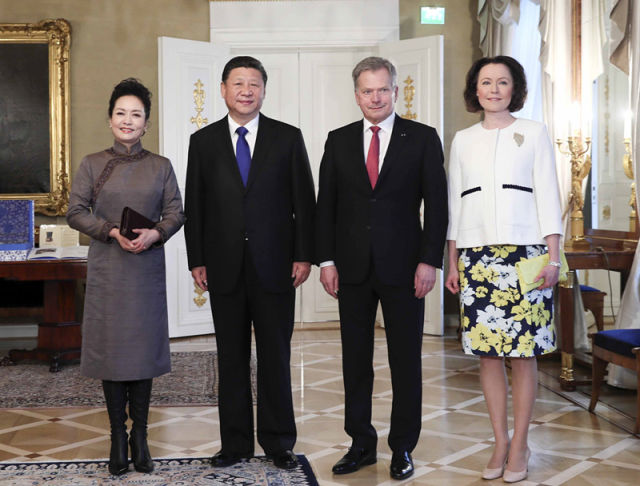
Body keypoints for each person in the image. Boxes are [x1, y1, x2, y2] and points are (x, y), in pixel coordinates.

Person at [315, 56, 448, 480]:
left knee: (405, 361)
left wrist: (429, 261)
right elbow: (325, 206)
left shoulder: (422, 138)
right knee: (355, 362)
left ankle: (402, 447)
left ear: (396, 91)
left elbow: (438, 205)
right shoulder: (338, 140)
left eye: (382, 89)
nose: (375, 97)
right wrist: (327, 260)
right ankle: (361, 444)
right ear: (357, 96)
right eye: (367, 90)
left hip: (407, 269)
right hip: (351, 268)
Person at [184, 56, 315, 470]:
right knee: (231, 357)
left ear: (263, 90)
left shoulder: (287, 137)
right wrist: (197, 259)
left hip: (276, 265)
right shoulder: (203, 142)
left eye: (254, 83)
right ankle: (235, 443)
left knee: (275, 355)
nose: (246, 91)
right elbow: (195, 206)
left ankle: (279, 442)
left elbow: (304, 203)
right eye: (238, 83)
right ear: (223, 89)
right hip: (222, 265)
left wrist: (304, 254)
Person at [444, 56, 563, 483]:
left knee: (523, 355)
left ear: (515, 89)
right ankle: (499, 441)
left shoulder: (534, 132)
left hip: (526, 253)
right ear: (474, 90)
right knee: (488, 355)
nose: (494, 89)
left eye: (502, 82)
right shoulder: (462, 140)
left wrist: (553, 258)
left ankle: (522, 443)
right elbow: (455, 203)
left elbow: (548, 195)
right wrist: (452, 260)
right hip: (476, 256)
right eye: (486, 82)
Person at [67, 78, 185, 476]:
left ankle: (141, 437)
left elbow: (176, 212)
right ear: (110, 119)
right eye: (121, 113)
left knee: (142, 354)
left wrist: (156, 233)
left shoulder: (161, 166)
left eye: (136, 115)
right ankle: (118, 435)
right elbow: (76, 211)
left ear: (147, 123)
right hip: (108, 269)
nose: (128, 120)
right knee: (113, 354)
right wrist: (111, 231)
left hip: (145, 270)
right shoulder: (91, 163)